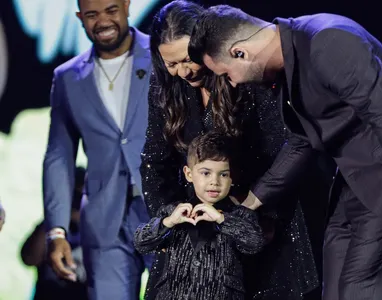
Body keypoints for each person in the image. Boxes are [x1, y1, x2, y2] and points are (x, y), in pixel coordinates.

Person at [188, 6, 382, 300]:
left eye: (226, 74)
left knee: (357, 289)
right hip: (355, 182)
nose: (232, 82)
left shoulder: (327, 41)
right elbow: (302, 141)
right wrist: (249, 204)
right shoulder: (290, 60)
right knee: (334, 290)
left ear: (240, 53)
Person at [142, 1, 319, 299]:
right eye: (171, 64)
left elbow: (286, 150)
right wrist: (170, 218)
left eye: (188, 59)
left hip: (265, 221)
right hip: (198, 238)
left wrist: (253, 213)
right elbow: (154, 162)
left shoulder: (244, 75)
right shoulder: (165, 87)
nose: (182, 71)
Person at [42, 0, 152, 299]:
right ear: (79, 17)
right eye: (92, 14)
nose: (102, 21)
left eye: (111, 10)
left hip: (168, 210)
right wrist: (57, 231)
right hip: (104, 219)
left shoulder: (164, 55)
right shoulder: (67, 77)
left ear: (128, 6)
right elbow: (59, 156)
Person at [135, 131, 265, 300]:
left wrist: (221, 219)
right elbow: (142, 243)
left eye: (223, 174)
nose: (214, 182)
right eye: (206, 173)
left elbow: (255, 242)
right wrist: (168, 222)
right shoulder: (174, 213)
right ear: (189, 174)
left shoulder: (238, 215)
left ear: (231, 177)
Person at [21, 167, 87, 300]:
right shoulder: (50, 226)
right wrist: (55, 217)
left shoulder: (102, 231)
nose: (77, 203)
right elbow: (29, 259)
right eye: (74, 197)